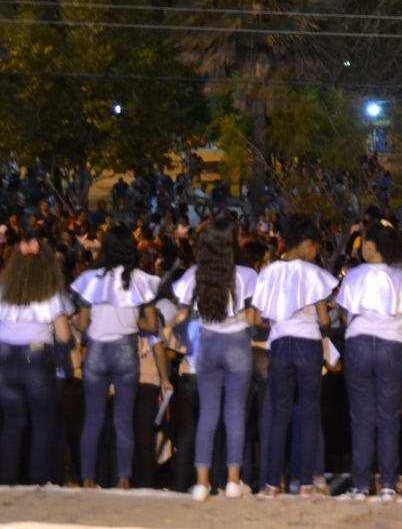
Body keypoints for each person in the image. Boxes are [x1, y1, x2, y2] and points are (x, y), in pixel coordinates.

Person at [335, 219, 402, 501]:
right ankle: (387, 484)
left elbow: (343, 314)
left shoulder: (353, 276)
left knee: (361, 417)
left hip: (359, 344)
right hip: (392, 346)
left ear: (371, 246)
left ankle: (362, 485)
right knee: (389, 417)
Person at [172, 214, 260, 501]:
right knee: (235, 412)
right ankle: (234, 481)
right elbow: (254, 317)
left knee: (208, 414)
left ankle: (202, 483)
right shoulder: (247, 275)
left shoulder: (195, 275)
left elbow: (182, 310)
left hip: (207, 345)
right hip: (237, 343)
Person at [253, 215, 339, 497]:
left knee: (279, 415)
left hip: (279, 345)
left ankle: (270, 484)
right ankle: (305, 484)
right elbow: (325, 318)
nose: (315, 253)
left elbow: (262, 318)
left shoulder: (268, 272)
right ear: (305, 245)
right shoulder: (313, 273)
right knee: (309, 413)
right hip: (308, 345)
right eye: (314, 247)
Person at [70, 223, 160, 489]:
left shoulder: (91, 279)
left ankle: (88, 479)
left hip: (96, 350)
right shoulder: (141, 280)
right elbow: (152, 326)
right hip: (125, 350)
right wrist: (132, 324)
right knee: (123, 420)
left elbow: (84, 325)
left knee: (94, 419)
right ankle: (123, 479)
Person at [0, 229, 74, 486]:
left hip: (5, 360)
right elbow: (64, 337)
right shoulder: (52, 294)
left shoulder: (3, 291)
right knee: (43, 422)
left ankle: (7, 481)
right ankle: (37, 481)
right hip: (37, 360)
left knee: (12, 423)